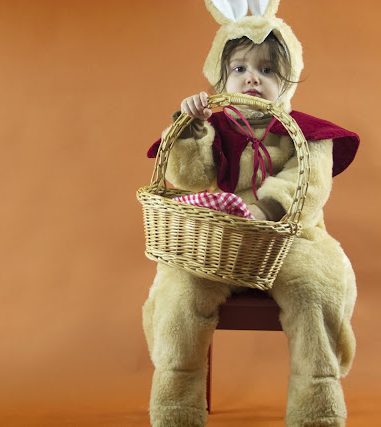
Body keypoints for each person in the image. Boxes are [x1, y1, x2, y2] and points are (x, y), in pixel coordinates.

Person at [142, 1, 360, 426]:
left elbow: (308, 185)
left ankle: (316, 407)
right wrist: (191, 129)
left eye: (267, 69)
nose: (252, 78)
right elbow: (189, 178)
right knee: (178, 293)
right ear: (220, 77)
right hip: (221, 243)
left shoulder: (309, 134)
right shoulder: (215, 126)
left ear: (288, 78)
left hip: (290, 240)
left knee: (316, 289)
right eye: (239, 68)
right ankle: (176, 408)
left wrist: (263, 210)